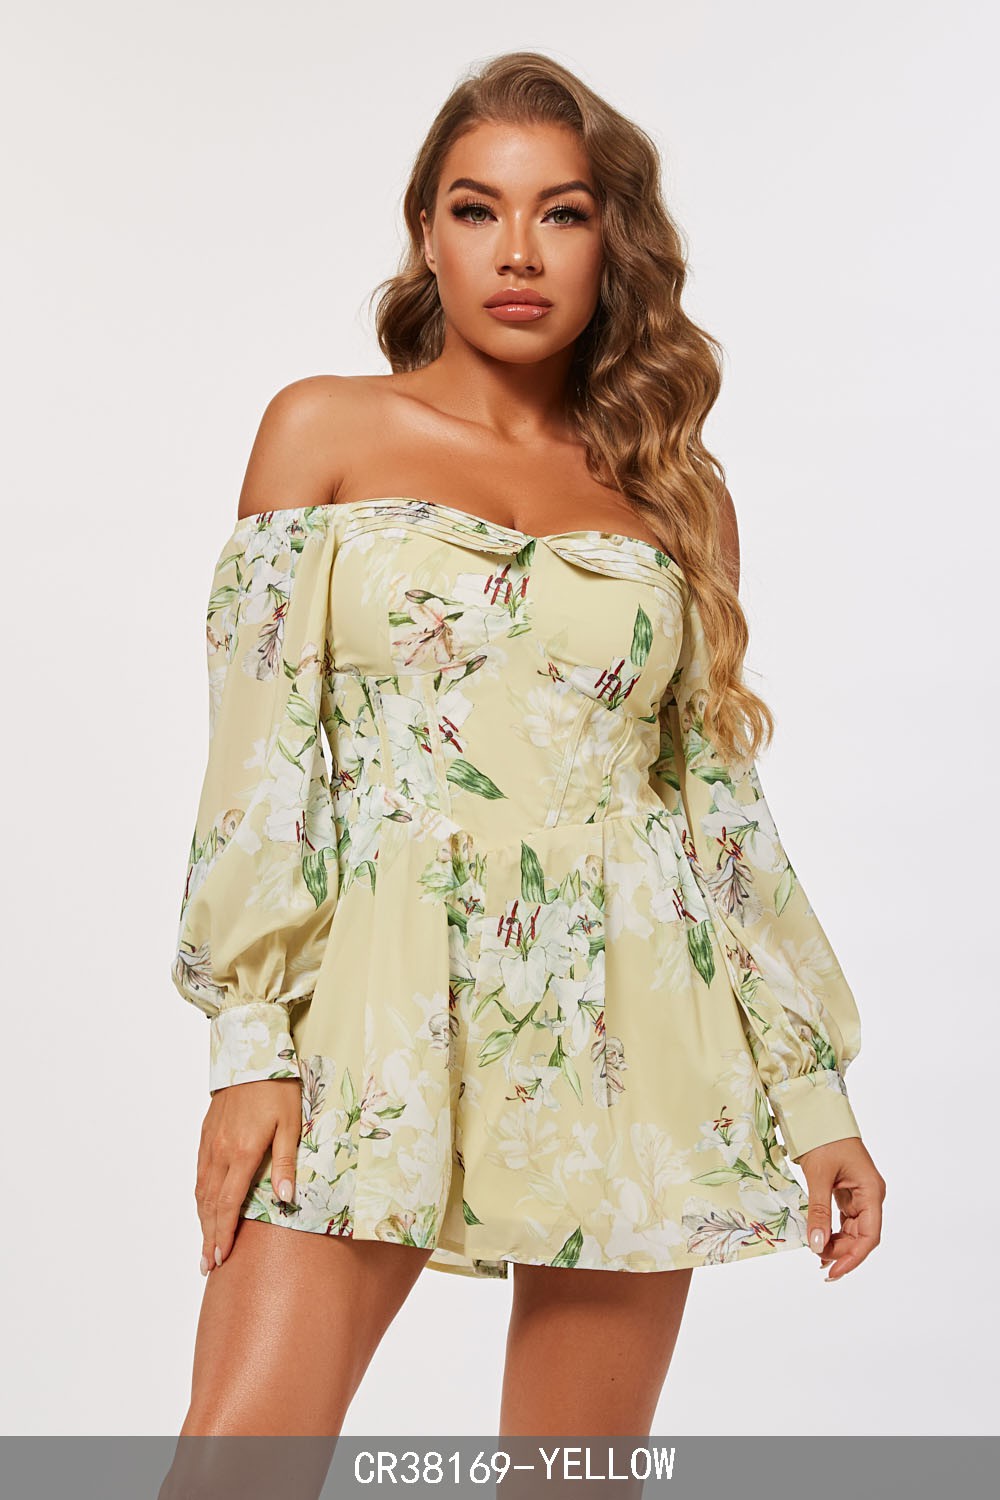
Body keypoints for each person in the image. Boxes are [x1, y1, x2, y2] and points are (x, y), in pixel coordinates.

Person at [167, 51, 885, 1439]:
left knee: (573, 1478)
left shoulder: (674, 493)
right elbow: (258, 763)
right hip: (373, 1006)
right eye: (476, 208)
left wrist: (813, 1092)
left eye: (562, 212)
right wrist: (249, 1046)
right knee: (236, 1462)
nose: (517, 251)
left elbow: (716, 807)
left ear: (614, 241)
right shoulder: (323, 429)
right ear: (425, 233)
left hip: (637, 1015)